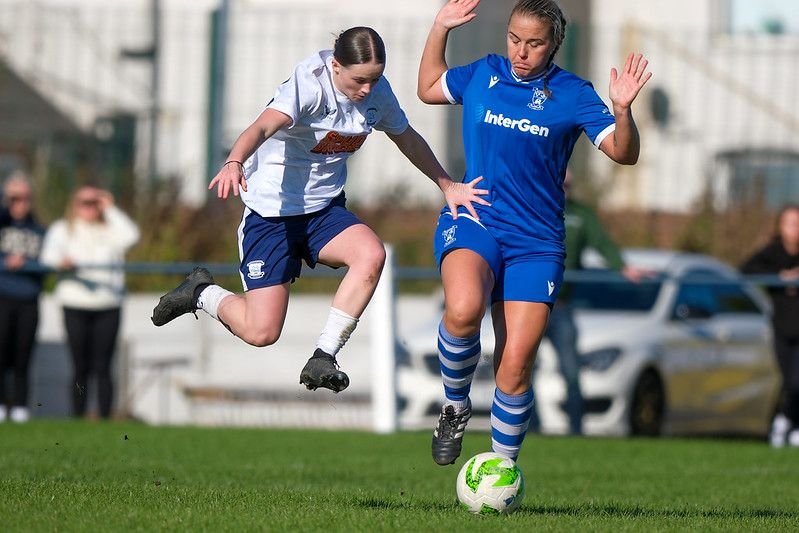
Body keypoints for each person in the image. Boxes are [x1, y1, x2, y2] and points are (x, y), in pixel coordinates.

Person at [150, 27, 487, 394]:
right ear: (336, 66)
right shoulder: (309, 85)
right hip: (272, 214)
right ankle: (200, 292)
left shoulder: (377, 94)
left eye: (375, 79)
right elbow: (263, 126)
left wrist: (447, 184)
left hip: (323, 210)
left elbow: (406, 136)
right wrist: (234, 161)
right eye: (359, 80)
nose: (367, 89)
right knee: (260, 332)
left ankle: (323, 355)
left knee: (371, 254)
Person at [417, 0, 651, 465]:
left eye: (535, 43)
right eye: (514, 39)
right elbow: (426, 88)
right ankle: (456, 405)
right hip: (477, 217)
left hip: (537, 243)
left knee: (516, 363)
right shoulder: (483, 73)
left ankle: (501, 471)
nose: (521, 51)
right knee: (462, 309)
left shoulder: (574, 93)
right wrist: (440, 27)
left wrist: (622, 110)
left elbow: (624, 154)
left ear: (554, 44)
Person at [535, 169, 649, 435]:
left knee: (571, 371)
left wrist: (622, 267)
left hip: (560, 307)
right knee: (520, 370)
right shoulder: (532, 208)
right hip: (529, 305)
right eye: (560, 183)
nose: (564, 189)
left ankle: (576, 431)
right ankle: (530, 428)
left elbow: (602, 243)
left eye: (568, 185)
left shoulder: (581, 215)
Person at [40, 185, 140, 419]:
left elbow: (132, 236)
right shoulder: (62, 229)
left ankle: (105, 419)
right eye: (84, 202)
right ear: (74, 205)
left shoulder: (111, 229)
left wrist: (111, 209)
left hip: (108, 304)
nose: (89, 208)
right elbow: (48, 255)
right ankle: (78, 416)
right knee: (79, 367)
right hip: (75, 304)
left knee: (103, 367)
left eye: (95, 202)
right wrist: (61, 261)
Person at [740, 204, 799, 448]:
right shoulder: (773, 253)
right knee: (788, 382)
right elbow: (746, 269)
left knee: (798, 382)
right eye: (791, 223)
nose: (795, 229)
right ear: (781, 226)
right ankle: (790, 423)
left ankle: (785, 422)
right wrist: (780, 277)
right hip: (782, 329)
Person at [0, 172, 46, 423]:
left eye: (25, 198)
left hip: (28, 299)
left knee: (22, 355)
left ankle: (20, 408)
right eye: (14, 198)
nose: (20, 203)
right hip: (2, 297)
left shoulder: (39, 229)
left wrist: (25, 262)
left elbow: (49, 259)